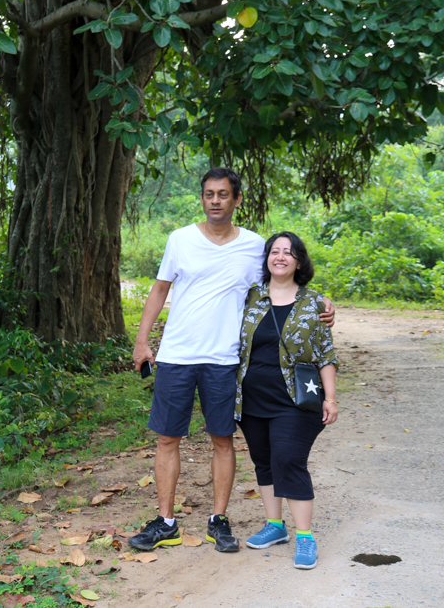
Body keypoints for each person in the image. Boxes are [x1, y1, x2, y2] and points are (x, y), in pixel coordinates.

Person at [129, 169, 334, 554]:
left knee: (222, 440)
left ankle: (218, 520)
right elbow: (159, 291)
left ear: (237, 200)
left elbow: (282, 276)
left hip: (225, 360)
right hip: (177, 355)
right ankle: (166, 522)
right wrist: (143, 341)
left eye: (224, 194)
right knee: (167, 438)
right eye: (209, 194)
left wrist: (319, 302)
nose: (216, 201)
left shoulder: (255, 246)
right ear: (202, 199)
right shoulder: (180, 240)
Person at [235, 231, 338, 570]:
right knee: (263, 461)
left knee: (288, 459)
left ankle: (305, 536)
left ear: (299, 261)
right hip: (252, 398)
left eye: (288, 252)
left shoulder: (314, 303)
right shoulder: (251, 297)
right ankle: (275, 526)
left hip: (295, 400)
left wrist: (331, 398)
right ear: (266, 259)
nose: (280, 257)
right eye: (275, 251)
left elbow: (325, 353)